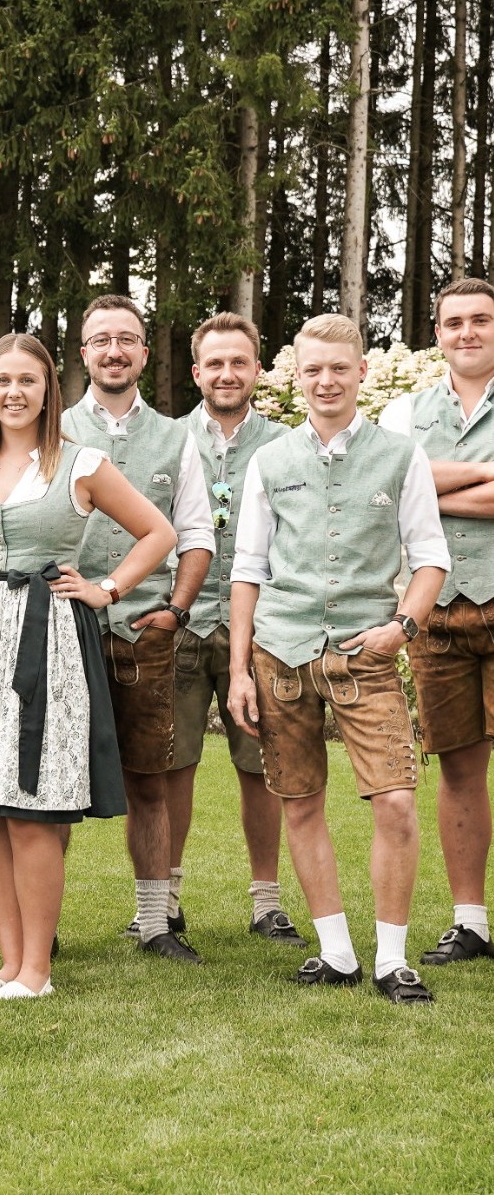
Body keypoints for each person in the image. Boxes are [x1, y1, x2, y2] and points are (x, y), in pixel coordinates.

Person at [0, 335, 174, 998]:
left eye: (27, 381)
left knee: (31, 806)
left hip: (47, 638)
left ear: (47, 391)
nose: (13, 392)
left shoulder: (81, 463)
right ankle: (9, 962)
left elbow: (159, 532)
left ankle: (37, 969)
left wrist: (106, 588)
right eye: (1, 380)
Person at [229, 313, 449, 1004]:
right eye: (313, 370)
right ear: (297, 376)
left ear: (361, 372)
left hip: (366, 652)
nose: (326, 381)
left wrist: (401, 628)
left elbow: (430, 556)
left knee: (396, 801)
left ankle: (391, 958)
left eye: (338, 368)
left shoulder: (400, 456)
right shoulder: (270, 461)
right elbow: (248, 568)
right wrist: (237, 671)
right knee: (299, 803)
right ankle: (335, 952)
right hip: (280, 653)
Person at [61, 295, 214, 963]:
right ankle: (42, 922)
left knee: (150, 780)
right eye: (101, 340)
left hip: (144, 632)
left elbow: (197, 533)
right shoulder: (52, 427)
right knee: (53, 781)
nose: (113, 351)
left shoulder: (177, 437)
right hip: (61, 627)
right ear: (83, 353)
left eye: (126, 339)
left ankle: (155, 923)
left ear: (145, 354)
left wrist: (176, 609)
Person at [173, 313, 305, 945]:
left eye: (239, 362)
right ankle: (161, 900)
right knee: (172, 765)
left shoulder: (287, 445)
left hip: (262, 625)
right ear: (196, 372)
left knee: (261, 767)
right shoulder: (169, 440)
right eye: (215, 363)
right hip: (182, 621)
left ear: (257, 369)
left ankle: (266, 902)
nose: (227, 374)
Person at [380, 278, 494, 966]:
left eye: (480, 319)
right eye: (454, 322)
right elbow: (395, 490)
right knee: (458, 768)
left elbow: (414, 485)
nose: (467, 332)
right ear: (437, 332)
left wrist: (430, 482)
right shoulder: (403, 411)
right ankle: (470, 921)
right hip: (438, 612)